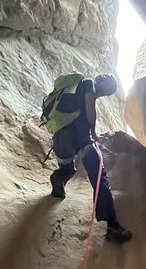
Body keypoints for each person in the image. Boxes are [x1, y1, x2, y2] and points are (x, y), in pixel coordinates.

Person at [49, 73, 132, 244]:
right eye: (106, 91)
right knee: (100, 176)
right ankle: (112, 227)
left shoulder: (76, 86)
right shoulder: (88, 83)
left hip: (60, 137)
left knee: (67, 168)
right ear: (104, 86)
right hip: (80, 137)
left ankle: (57, 180)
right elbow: (90, 110)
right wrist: (93, 131)